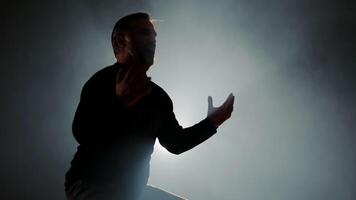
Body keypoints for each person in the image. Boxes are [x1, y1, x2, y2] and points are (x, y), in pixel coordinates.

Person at [65, 12, 235, 200]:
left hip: (132, 192)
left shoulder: (158, 97)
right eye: (144, 33)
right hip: (92, 184)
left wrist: (212, 123)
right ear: (121, 41)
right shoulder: (102, 81)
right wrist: (119, 103)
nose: (153, 40)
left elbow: (175, 143)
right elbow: (81, 132)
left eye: (154, 36)